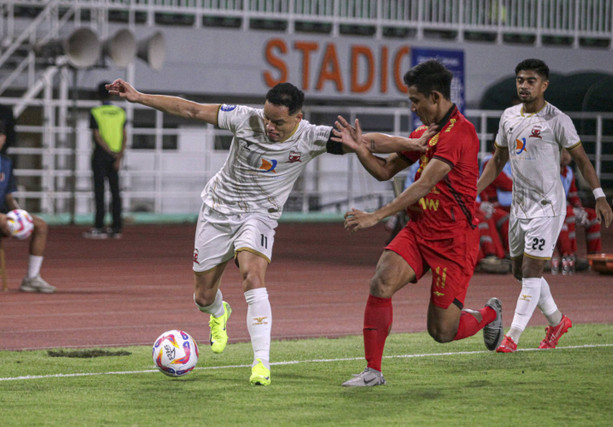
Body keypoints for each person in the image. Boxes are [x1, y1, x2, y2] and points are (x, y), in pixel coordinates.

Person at [105, 79, 426, 386]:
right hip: (218, 210)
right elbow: (191, 109)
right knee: (202, 296)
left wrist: (410, 143)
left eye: (278, 122)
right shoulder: (244, 118)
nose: (269, 126)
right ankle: (219, 312)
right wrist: (139, 97)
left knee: (253, 276)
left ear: (298, 118)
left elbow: (368, 140)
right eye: (267, 118)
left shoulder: (312, 136)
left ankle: (261, 362)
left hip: (260, 216)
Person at [332, 60, 503, 387]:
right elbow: (384, 170)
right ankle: (373, 371)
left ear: (435, 97)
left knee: (441, 332)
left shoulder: (461, 133)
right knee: (380, 282)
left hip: (454, 241)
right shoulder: (423, 134)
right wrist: (359, 149)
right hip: (420, 230)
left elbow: (423, 184)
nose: (412, 107)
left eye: (416, 100)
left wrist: (377, 215)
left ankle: (490, 314)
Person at [477, 58, 613, 353]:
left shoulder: (558, 120)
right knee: (519, 271)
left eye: (530, 81)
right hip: (519, 207)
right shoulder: (509, 116)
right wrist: (473, 192)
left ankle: (512, 336)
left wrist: (600, 195)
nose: (524, 86)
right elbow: (497, 160)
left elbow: (582, 161)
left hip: (548, 207)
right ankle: (557, 321)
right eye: (520, 80)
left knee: (531, 273)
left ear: (544, 85)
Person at [0, 121, 55, 293]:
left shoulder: (5, 162)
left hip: (3, 213)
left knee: (40, 225)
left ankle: (31, 278)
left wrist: (19, 213)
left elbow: (9, 194)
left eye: (0, 135)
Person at [84, 82, 127, 239]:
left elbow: (96, 135)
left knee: (99, 191)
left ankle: (99, 226)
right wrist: (118, 156)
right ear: (111, 94)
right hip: (116, 155)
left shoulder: (96, 112)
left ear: (98, 95)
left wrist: (108, 152)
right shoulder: (120, 112)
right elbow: (124, 136)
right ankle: (116, 228)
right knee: (115, 192)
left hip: (101, 155)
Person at [553, 148, 602, 274]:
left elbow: (573, 196)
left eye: (568, 153)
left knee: (592, 216)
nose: (566, 156)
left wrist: (580, 209)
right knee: (567, 214)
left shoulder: (569, 172)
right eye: (562, 153)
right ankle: (568, 255)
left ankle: (595, 258)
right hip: (549, 208)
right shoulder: (549, 171)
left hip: (564, 207)